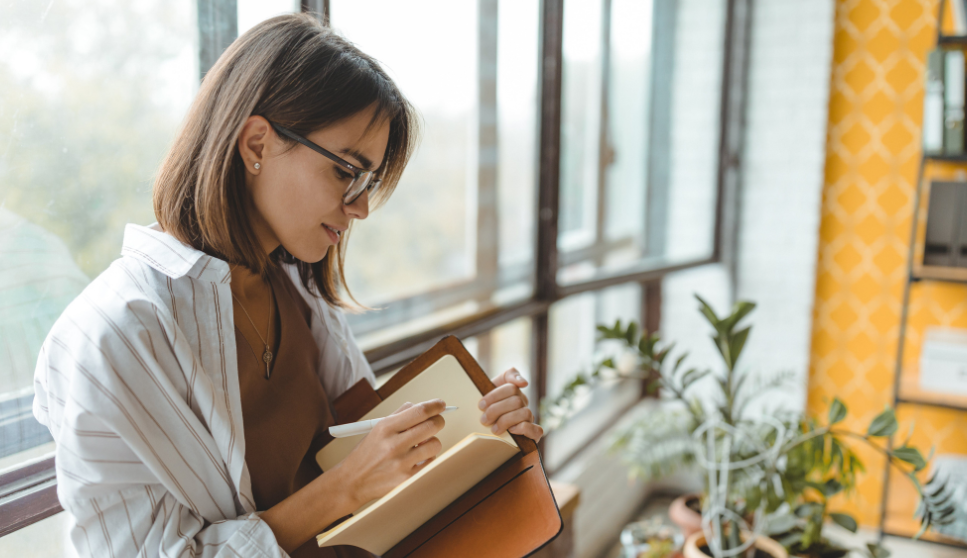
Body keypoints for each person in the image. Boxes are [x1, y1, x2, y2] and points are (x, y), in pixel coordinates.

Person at [32, 13, 542, 558]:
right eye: (347, 172)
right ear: (257, 143)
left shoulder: (297, 291)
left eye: (368, 181)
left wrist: (479, 426)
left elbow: (363, 451)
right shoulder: (112, 336)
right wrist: (340, 492)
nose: (362, 207)